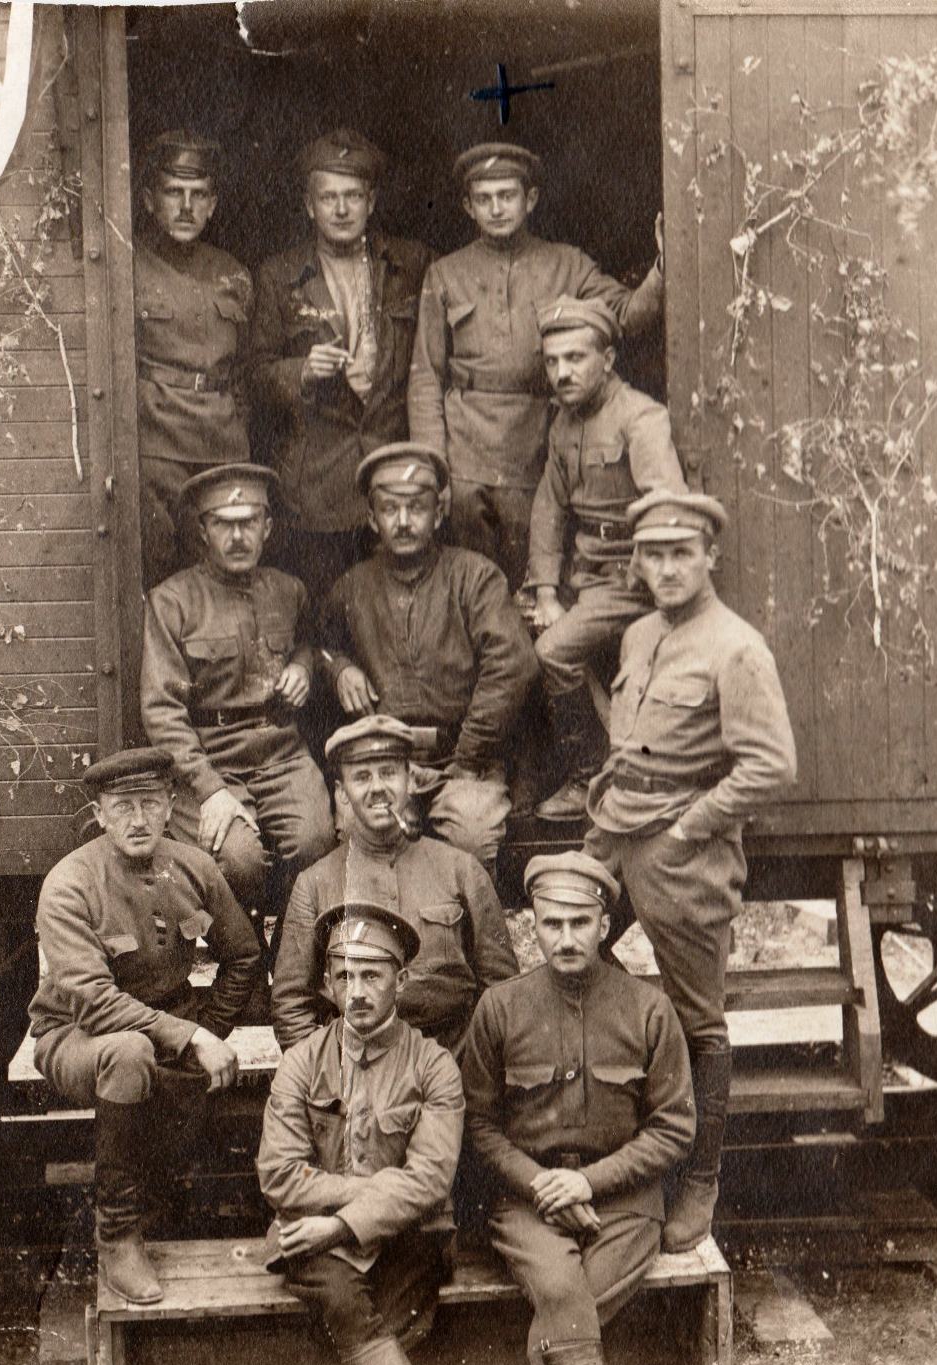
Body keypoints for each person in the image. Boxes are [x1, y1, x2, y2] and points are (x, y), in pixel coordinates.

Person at [583, 489, 798, 1252]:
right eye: (653, 554)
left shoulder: (736, 647)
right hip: (615, 830)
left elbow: (771, 765)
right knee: (570, 959)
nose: (667, 569)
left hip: (682, 847)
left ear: (710, 557)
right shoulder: (640, 634)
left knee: (700, 1020)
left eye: (682, 553)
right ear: (637, 563)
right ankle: (609, 1153)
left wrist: (690, 828)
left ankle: (700, 1179)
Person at [458, 852, 695, 1365]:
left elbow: (673, 1126)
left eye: (580, 922)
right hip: (527, 1202)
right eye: (552, 923)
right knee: (563, 1291)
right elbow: (479, 1124)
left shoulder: (649, 1009)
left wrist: (588, 1183)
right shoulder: (500, 1008)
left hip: (624, 1204)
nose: (565, 938)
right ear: (533, 926)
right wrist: (543, 1186)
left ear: (604, 925)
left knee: (570, 1304)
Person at [28, 747, 263, 1304]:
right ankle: (116, 1233)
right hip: (76, 1036)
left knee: (167, 1094)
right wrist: (192, 1037)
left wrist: (210, 1025)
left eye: (150, 804)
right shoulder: (70, 883)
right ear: (100, 815)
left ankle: (158, 1208)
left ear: (170, 806)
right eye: (122, 807)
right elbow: (95, 1005)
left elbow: (244, 955)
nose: (138, 820)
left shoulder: (194, 867)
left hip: (166, 1030)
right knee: (129, 1054)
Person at [408, 142, 663, 587]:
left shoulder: (567, 264)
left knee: (537, 571)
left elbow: (627, 316)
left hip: (535, 444)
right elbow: (426, 376)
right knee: (469, 578)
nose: (496, 209)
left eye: (507, 196)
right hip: (465, 449)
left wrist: (664, 265)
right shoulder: (445, 273)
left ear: (530, 199)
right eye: (484, 199)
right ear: (468, 207)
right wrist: (434, 467)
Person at [258, 901, 463, 1365]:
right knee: (340, 1292)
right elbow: (280, 1175)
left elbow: (431, 1180)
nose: (357, 993)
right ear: (327, 985)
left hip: (406, 1234)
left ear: (402, 980)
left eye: (372, 975)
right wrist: (367, 1196)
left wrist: (341, 1225)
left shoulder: (433, 1065)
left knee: (388, 1300)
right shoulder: (302, 1062)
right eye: (343, 976)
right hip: (311, 1238)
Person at [317, 441, 537, 867]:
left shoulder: (475, 578)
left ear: (437, 514)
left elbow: (513, 663)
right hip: (382, 760)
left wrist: (469, 754)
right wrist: (340, 668)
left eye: (416, 508)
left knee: (472, 834)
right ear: (372, 518)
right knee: (358, 837)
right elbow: (319, 646)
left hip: (464, 759)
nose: (403, 522)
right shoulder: (353, 586)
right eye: (389, 509)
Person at [142, 461, 335, 922]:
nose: (237, 537)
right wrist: (209, 790)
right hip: (209, 759)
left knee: (316, 844)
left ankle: (288, 954)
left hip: (281, 753)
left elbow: (308, 642)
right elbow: (162, 710)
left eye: (248, 522)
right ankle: (243, 955)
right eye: (223, 525)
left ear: (267, 527)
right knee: (238, 861)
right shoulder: (173, 601)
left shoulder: (289, 591)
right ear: (202, 530)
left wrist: (303, 665)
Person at [524, 295, 691, 822]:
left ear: (609, 359)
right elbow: (550, 506)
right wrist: (545, 591)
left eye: (575, 358)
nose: (562, 373)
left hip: (630, 579)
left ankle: (587, 777)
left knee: (553, 651)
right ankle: (600, 768)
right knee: (515, 625)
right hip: (585, 574)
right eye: (552, 361)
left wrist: (643, 576)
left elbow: (665, 507)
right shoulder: (564, 423)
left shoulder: (640, 418)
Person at [250, 128, 433, 595]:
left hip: (393, 478)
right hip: (318, 488)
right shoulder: (279, 277)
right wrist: (301, 371)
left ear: (371, 201)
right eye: (328, 197)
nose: (341, 209)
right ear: (309, 205)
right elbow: (253, 375)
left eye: (353, 196)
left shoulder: (412, 266)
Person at [274, 714, 517, 1052]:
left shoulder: (461, 870)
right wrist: (327, 1074)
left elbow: (502, 992)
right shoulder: (314, 884)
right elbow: (291, 1006)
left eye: (388, 772)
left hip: (452, 1061)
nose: (377, 788)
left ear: (410, 780)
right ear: (342, 793)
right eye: (362, 777)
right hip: (354, 1068)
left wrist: (471, 1073)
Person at [135, 130, 254, 586]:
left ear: (212, 205)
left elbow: (243, 370)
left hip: (222, 448)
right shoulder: (130, 267)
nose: (186, 207)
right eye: (173, 192)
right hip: (159, 446)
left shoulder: (233, 274)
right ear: (149, 201)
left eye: (198, 194)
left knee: (224, 576)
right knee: (160, 572)